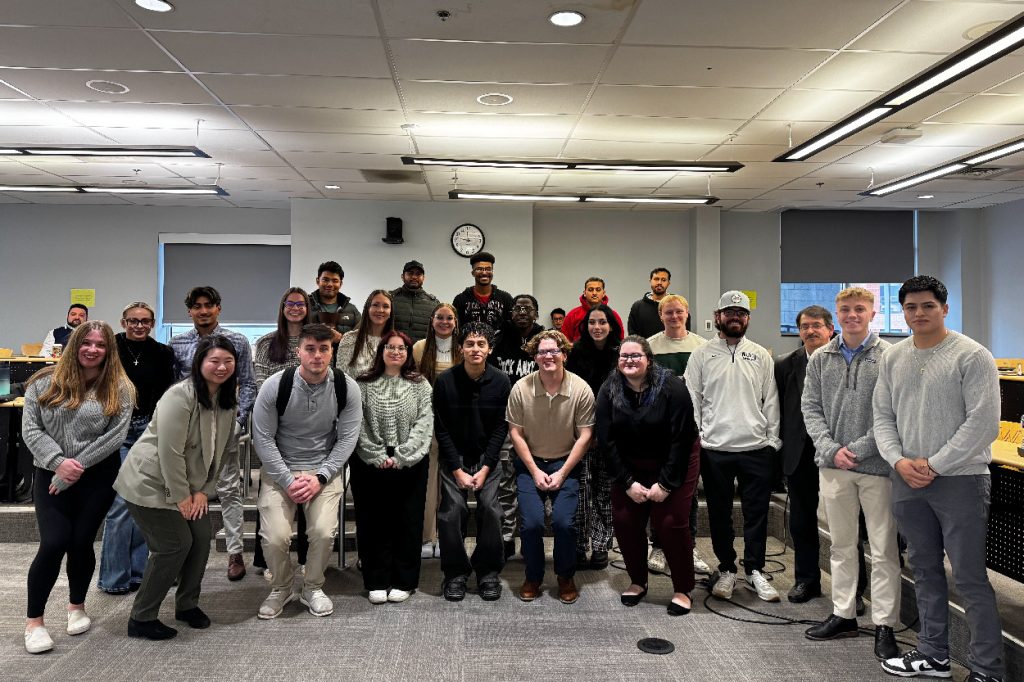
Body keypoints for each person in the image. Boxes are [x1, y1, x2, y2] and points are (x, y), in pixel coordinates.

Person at [874, 276, 1004, 682]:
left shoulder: (972, 356)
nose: (919, 314)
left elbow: (983, 424)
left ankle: (988, 670)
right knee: (924, 569)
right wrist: (898, 461)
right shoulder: (893, 357)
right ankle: (934, 656)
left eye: (927, 306)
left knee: (968, 578)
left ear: (944, 309)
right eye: (911, 307)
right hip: (907, 480)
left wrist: (935, 464)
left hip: (960, 481)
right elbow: (882, 417)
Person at [113, 335, 240, 641]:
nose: (221, 367)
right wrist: (182, 496)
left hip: (189, 485)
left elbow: (221, 452)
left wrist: (203, 491)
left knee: (200, 539)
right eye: (214, 361)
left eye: (228, 361)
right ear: (199, 363)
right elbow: (171, 453)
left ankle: (186, 605)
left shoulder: (226, 399)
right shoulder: (179, 395)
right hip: (150, 482)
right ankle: (141, 617)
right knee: (174, 545)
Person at [22, 321, 135, 654]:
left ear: (108, 350)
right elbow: (31, 430)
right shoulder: (43, 382)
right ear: (74, 345)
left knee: (82, 541)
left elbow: (115, 436)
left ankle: (76, 607)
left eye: (100, 345)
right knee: (54, 542)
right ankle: (34, 623)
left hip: (97, 477)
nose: (92, 349)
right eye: (86, 343)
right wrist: (59, 463)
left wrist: (75, 467)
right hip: (49, 475)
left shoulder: (120, 387)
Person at [799, 291, 900, 661]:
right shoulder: (820, 358)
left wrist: (856, 451)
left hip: (877, 469)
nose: (852, 315)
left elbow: (892, 415)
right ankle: (844, 614)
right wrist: (830, 450)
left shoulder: (891, 357)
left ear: (873, 313)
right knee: (841, 545)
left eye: (860, 309)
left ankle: (885, 623)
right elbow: (810, 407)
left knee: (884, 550)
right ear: (837, 315)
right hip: (833, 467)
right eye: (845, 310)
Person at [252, 324, 361, 619]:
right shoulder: (275, 386)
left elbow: (348, 438)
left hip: (323, 470)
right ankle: (282, 587)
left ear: (331, 352)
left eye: (323, 349)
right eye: (310, 349)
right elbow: (262, 438)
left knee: (324, 532)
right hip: (280, 469)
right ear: (299, 351)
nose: (317, 356)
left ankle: (313, 587)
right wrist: (288, 480)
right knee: (275, 537)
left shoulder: (346, 387)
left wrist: (321, 476)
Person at [684, 290, 781, 603]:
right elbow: (692, 397)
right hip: (715, 449)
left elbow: (772, 400)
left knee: (756, 514)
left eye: (741, 313)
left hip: (756, 448)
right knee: (719, 513)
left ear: (748, 318)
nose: (735, 317)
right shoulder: (701, 354)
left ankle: (754, 571)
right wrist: (698, 436)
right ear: (718, 317)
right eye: (729, 312)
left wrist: (772, 440)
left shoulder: (760, 355)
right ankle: (726, 568)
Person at [597, 336, 699, 615]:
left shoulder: (672, 387)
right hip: (630, 464)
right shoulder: (609, 388)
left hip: (674, 460)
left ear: (649, 360)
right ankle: (637, 581)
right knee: (625, 520)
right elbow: (605, 441)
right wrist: (628, 483)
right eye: (624, 357)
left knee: (670, 522)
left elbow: (681, 439)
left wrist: (665, 484)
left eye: (635, 356)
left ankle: (682, 588)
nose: (629, 361)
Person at [169, 285, 256, 581]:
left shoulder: (237, 341)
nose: (203, 311)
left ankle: (235, 552)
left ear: (219, 308)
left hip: (224, 425)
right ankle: (187, 556)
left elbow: (248, 384)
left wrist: (239, 422)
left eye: (209, 305)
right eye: (198, 306)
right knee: (187, 490)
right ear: (190, 311)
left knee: (229, 491)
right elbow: (173, 390)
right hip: (189, 430)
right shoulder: (177, 344)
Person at [507, 330, 595, 604]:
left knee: (563, 523)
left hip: (565, 462)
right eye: (542, 352)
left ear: (564, 355)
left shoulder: (581, 389)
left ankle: (565, 576)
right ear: (535, 358)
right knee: (531, 523)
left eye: (554, 351)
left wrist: (562, 472)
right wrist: (534, 470)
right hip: (530, 462)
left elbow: (586, 436)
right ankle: (533, 576)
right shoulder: (521, 388)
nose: (548, 356)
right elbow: (515, 433)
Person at [97, 302, 176, 596]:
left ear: (152, 323)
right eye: (133, 321)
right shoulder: (110, 347)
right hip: (115, 428)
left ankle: (140, 573)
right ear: (123, 321)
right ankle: (114, 578)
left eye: (144, 321)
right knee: (120, 503)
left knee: (145, 500)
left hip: (148, 428)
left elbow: (167, 393)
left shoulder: (162, 353)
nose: (138, 326)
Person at [350, 330, 434, 604]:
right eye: (390, 347)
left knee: (407, 521)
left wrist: (401, 456)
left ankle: (404, 580)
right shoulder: (362, 383)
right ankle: (376, 579)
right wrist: (375, 454)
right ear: (381, 351)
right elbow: (356, 424)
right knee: (373, 521)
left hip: (410, 463)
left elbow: (425, 423)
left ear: (408, 354)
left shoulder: (420, 384)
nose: (396, 352)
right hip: (369, 462)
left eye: (402, 348)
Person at [433, 322, 511, 602]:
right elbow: (440, 428)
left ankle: (488, 572)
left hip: (487, 459)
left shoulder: (502, 382)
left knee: (491, 510)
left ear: (489, 349)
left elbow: (501, 428)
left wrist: (486, 466)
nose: (475, 349)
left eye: (481, 344)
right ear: (460, 348)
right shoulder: (444, 382)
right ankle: (455, 574)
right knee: (451, 512)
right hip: (453, 459)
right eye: (470, 344)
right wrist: (456, 468)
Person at [252, 287, 313, 581]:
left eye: (300, 304)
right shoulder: (266, 343)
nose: (295, 308)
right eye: (290, 303)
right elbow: (261, 385)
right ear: (282, 307)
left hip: (310, 428)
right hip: (275, 429)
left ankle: (303, 556)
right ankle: (267, 560)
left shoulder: (314, 342)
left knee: (304, 495)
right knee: (271, 494)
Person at [774, 304, 833, 605]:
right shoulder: (785, 364)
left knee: (844, 523)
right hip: (799, 453)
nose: (811, 331)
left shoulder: (843, 359)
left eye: (817, 325)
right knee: (801, 521)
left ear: (830, 329)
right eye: (805, 326)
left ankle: (852, 589)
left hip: (837, 453)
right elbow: (781, 409)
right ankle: (807, 581)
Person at [647, 293, 709, 576]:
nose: (673, 317)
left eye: (678, 312)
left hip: (691, 430)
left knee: (688, 492)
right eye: (668, 312)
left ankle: (688, 545)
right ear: (661, 316)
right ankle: (657, 545)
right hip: (658, 431)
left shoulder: (702, 347)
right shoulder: (650, 346)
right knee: (657, 488)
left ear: (687, 313)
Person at [489, 294, 545, 559]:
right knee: (505, 482)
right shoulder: (498, 339)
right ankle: (507, 535)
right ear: (510, 313)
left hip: (538, 422)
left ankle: (531, 537)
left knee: (532, 481)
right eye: (517, 308)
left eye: (528, 308)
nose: (522, 312)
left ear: (536, 313)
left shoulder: (546, 340)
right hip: (505, 422)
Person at [565, 304, 620, 570]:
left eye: (602, 322)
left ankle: (601, 545)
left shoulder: (621, 354)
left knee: (604, 492)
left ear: (611, 325)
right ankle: (578, 545)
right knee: (580, 491)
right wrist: (585, 431)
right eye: (592, 323)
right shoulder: (574, 353)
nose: (597, 327)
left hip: (611, 434)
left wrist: (602, 432)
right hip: (578, 433)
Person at [412, 302, 462, 559]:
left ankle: (446, 535)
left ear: (455, 322)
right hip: (427, 423)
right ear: (432, 321)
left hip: (454, 424)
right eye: (440, 317)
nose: (444, 322)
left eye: (449, 318)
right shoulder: (419, 348)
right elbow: (414, 386)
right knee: (429, 481)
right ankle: (427, 536)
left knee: (451, 482)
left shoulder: (462, 350)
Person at [336, 290, 394, 380]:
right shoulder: (349, 338)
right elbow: (341, 376)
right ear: (368, 309)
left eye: (386, 306)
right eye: (375, 305)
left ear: (391, 312)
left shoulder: (395, 343)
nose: (380, 310)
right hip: (354, 393)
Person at [452, 252, 514, 332]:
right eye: (479, 269)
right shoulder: (460, 299)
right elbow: (456, 328)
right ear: (473, 273)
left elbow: (512, 327)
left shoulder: (505, 298)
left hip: (499, 344)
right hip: (471, 344)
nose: (484, 273)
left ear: (492, 272)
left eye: (488, 269)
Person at [308, 260, 359, 345]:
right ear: (317, 281)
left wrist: (342, 339)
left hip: (342, 358)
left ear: (341, 283)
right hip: (313, 357)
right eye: (325, 280)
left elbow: (360, 339)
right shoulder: (305, 306)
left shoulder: (352, 310)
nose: (330, 284)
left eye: (335, 281)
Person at [561, 276, 626, 343]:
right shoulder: (573, 315)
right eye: (590, 290)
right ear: (584, 293)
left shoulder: (613, 315)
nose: (594, 293)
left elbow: (620, 341)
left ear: (603, 293)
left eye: (598, 290)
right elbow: (565, 342)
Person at [391, 260, 439, 343]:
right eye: (410, 273)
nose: (414, 277)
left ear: (423, 278)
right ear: (402, 276)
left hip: (422, 354)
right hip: (395, 352)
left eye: (418, 274)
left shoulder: (433, 303)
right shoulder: (390, 299)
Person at [627, 267, 671, 339]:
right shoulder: (637, 307)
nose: (659, 282)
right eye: (656, 279)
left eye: (663, 280)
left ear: (668, 283)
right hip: (645, 349)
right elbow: (633, 335)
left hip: (671, 349)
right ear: (650, 281)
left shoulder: (677, 306)